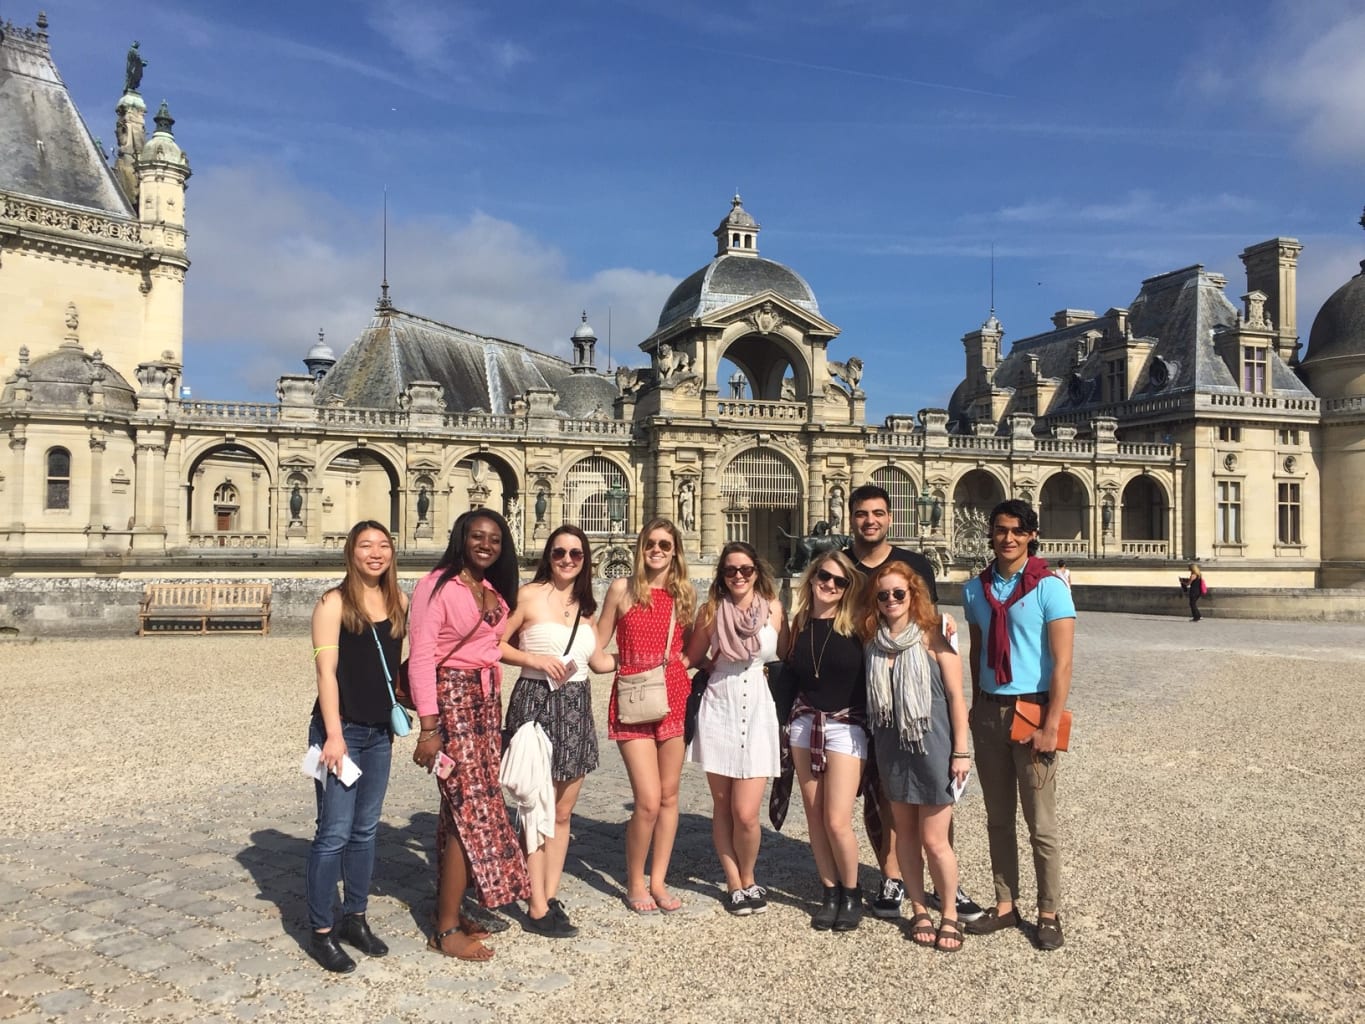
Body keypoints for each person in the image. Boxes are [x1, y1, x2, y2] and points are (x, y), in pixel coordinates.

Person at [843, 483, 982, 924]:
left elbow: (933, 624)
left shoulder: (915, 564)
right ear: (851, 518)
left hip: (918, 708)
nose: (871, 520)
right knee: (883, 799)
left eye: (879, 513)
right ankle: (892, 876)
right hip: (862, 697)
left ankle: (947, 883)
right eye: (863, 513)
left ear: (889, 517)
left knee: (935, 801)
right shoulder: (839, 566)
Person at [409, 509, 529, 961]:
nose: (485, 544)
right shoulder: (436, 585)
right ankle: (444, 929)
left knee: (456, 811)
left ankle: (453, 909)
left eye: (494, 539)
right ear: (461, 537)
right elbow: (421, 657)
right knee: (468, 808)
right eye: (477, 536)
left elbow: (491, 646)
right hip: (453, 702)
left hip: (485, 702)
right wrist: (429, 726)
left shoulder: (492, 588)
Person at [961, 498, 1076, 951]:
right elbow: (975, 652)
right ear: (990, 535)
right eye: (999, 530)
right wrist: (974, 704)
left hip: (1032, 708)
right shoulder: (975, 590)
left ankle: (1048, 910)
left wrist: (1051, 724)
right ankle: (1006, 903)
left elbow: (1063, 664)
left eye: (1015, 530)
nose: (1007, 538)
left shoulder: (1050, 588)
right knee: (997, 818)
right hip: (990, 709)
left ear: (1031, 535)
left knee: (1041, 822)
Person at [500, 527, 615, 938]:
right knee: (535, 807)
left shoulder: (585, 609)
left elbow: (598, 661)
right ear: (548, 555)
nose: (567, 559)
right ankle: (535, 905)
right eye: (560, 552)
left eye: (576, 554)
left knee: (563, 813)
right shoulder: (529, 596)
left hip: (577, 707)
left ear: (586, 560)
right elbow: (494, 643)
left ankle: (548, 893)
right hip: (537, 703)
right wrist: (533, 657)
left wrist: (648, 658)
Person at [305, 520, 408, 973]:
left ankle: (356, 917)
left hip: (378, 732)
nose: (375, 553)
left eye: (383, 545)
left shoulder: (398, 601)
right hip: (341, 730)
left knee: (366, 832)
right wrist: (333, 735)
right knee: (333, 834)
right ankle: (321, 930)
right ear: (351, 552)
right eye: (366, 545)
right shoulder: (333, 602)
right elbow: (326, 673)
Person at [861, 562, 970, 952]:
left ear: (913, 595)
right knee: (904, 836)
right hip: (892, 748)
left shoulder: (936, 636)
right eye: (883, 595)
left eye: (898, 593)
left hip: (933, 746)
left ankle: (950, 915)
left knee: (935, 839)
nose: (890, 600)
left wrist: (961, 751)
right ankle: (920, 908)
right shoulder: (872, 642)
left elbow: (957, 697)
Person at [597, 518, 696, 914]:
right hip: (634, 701)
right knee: (649, 800)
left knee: (670, 796)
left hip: (674, 696)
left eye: (665, 545)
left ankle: (659, 879)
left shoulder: (684, 594)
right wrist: (626, 662)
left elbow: (695, 649)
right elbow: (596, 645)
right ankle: (635, 880)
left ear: (675, 552)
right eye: (650, 544)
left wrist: (674, 663)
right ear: (641, 548)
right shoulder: (623, 589)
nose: (656, 550)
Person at [686, 542, 790, 915]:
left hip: (759, 706)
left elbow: (785, 657)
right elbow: (693, 657)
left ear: (757, 572)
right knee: (723, 805)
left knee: (746, 812)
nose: (738, 576)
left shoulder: (775, 610)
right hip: (720, 706)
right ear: (722, 576)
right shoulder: (711, 611)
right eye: (731, 570)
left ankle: (749, 875)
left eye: (745, 569)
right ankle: (733, 882)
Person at [786, 551, 867, 931]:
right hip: (805, 725)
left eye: (839, 581)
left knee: (837, 820)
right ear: (812, 577)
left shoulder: (858, 625)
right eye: (824, 576)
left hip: (845, 726)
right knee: (815, 815)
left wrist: (942, 625)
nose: (830, 585)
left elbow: (904, 630)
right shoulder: (799, 621)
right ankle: (829, 891)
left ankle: (852, 892)